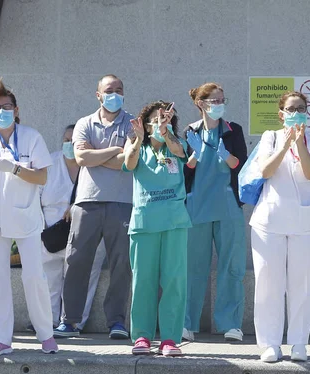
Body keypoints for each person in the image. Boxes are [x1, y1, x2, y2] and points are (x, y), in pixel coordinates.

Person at [0, 79, 58, 356]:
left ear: (16, 110)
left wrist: (14, 168)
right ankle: (0, 339)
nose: (1, 111)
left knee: (34, 277)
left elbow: (42, 176)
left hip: (26, 218)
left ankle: (46, 334)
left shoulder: (31, 136)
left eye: (6, 107)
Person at [250, 91, 310, 363]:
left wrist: (300, 144)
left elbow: (309, 173)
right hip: (268, 223)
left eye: (302, 108)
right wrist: (285, 145)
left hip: (305, 224)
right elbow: (266, 171)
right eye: (291, 109)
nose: (297, 113)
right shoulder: (269, 137)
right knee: (269, 284)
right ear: (281, 113)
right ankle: (270, 344)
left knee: (302, 285)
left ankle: (298, 343)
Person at [57, 74, 133, 339]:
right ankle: (70, 321)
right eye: (109, 90)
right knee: (76, 261)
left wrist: (96, 154)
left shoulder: (133, 124)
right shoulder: (84, 123)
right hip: (87, 202)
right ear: (98, 95)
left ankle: (117, 322)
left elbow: (128, 163)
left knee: (121, 264)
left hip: (123, 203)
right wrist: (114, 151)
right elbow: (80, 157)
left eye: (119, 90)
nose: (115, 94)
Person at [124, 101, 191, 356]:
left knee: (174, 280)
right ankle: (141, 336)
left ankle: (170, 339)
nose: (158, 122)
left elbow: (180, 152)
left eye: (164, 118)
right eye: (154, 119)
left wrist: (166, 133)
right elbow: (129, 165)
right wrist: (138, 140)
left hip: (174, 222)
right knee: (143, 280)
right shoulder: (136, 146)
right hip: (144, 223)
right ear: (145, 122)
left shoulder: (176, 144)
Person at [182, 82, 248, 342]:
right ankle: (186, 323)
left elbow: (240, 165)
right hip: (197, 206)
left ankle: (230, 323)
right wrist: (193, 156)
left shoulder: (234, 131)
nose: (220, 104)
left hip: (228, 205)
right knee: (192, 268)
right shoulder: (190, 132)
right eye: (215, 100)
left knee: (231, 266)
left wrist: (226, 155)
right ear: (201, 104)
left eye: (222, 99)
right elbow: (184, 171)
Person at [40, 125, 107, 331]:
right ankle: (48, 322)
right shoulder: (49, 162)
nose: (69, 144)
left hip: (86, 231)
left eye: (74, 139)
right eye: (66, 139)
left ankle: (74, 322)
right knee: (49, 281)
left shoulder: (95, 165)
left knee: (84, 279)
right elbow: (35, 196)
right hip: (51, 233)